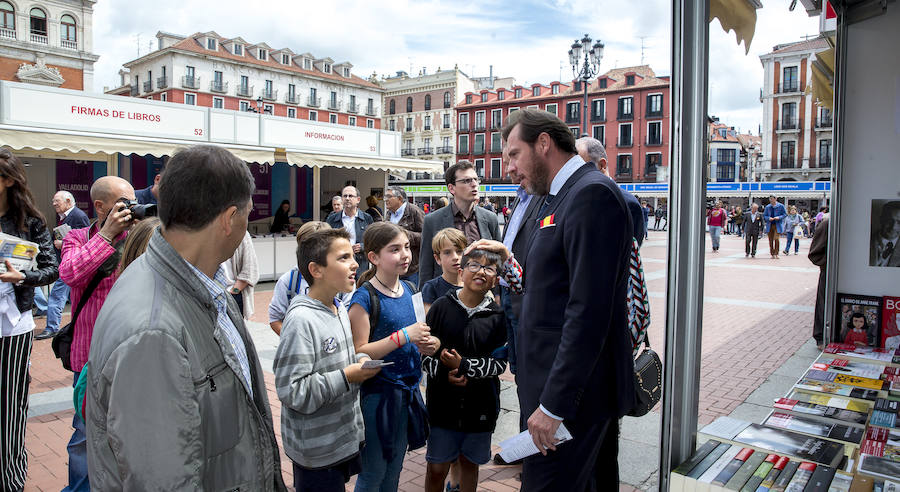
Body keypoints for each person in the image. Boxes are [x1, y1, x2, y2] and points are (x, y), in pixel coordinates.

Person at [85, 145, 287, 490]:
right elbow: (162, 478)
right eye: (246, 216)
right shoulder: (152, 333)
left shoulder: (202, 286)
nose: (246, 229)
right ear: (228, 219)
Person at [502, 108, 634, 490]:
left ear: (543, 144)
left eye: (514, 154)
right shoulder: (557, 197)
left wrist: (554, 405)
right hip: (554, 394)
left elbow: (588, 312)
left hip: (570, 403)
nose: (509, 167)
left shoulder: (591, 193)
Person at [274, 228, 380, 492]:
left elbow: (338, 361)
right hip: (316, 451)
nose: (355, 263)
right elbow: (293, 391)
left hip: (339, 441)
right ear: (316, 270)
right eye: (343, 258)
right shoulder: (301, 320)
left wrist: (360, 360)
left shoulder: (338, 307)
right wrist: (347, 377)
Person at [59, 175, 138, 492]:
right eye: (124, 202)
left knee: (130, 430)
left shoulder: (137, 238)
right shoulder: (77, 237)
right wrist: (107, 235)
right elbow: (70, 273)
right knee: (85, 434)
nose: (130, 209)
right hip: (89, 356)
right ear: (101, 206)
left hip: (132, 354)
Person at [348, 222, 435, 491]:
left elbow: (419, 333)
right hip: (378, 397)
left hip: (408, 392)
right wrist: (403, 337)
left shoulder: (409, 290)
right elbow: (359, 350)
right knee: (373, 471)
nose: (405, 254)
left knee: (395, 467)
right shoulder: (364, 298)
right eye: (394, 249)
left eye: (407, 247)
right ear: (373, 258)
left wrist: (427, 345)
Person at [422, 249, 508, 492]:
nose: (481, 271)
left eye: (489, 268)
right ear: (461, 272)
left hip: (480, 406)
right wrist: (443, 371)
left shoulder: (497, 317)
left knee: (470, 463)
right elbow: (423, 356)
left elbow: (499, 363)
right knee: (437, 467)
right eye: (474, 266)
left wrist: (465, 367)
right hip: (442, 404)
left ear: (495, 279)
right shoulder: (440, 307)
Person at [0, 149, 59, 492]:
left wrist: (20, 276)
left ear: (7, 181)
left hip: (12, 326)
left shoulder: (31, 221)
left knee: (9, 406)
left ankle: (10, 481)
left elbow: (51, 268)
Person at [418, 161, 500, 289]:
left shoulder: (490, 219)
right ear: (452, 188)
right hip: (445, 296)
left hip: (482, 295)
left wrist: (496, 294)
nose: (474, 184)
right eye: (467, 181)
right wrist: (425, 300)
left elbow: (497, 261)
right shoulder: (432, 221)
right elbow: (426, 267)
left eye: (475, 179)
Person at [268, 221, 353, 336]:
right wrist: (297, 340)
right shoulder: (289, 281)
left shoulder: (343, 280)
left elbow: (349, 317)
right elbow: (275, 318)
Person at [35, 191, 90, 340]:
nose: (53, 204)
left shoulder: (78, 216)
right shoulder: (65, 217)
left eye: (56, 201)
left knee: (56, 296)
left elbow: (87, 239)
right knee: (72, 298)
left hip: (72, 265)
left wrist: (63, 243)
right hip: (68, 264)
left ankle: (52, 327)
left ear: (68, 201)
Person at [576, 137, 645, 246]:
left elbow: (629, 256)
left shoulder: (627, 203)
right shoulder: (576, 199)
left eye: (582, 169)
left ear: (602, 165)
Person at [327, 186, 375, 273]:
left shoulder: (367, 218)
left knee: (360, 286)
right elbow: (326, 241)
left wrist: (363, 246)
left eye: (350, 196)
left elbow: (374, 240)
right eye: (345, 196)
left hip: (360, 263)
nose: (347, 198)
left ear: (358, 199)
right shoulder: (332, 219)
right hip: (339, 262)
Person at [384, 186, 425, 286]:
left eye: (389, 196)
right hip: (393, 266)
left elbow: (425, 236)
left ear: (400, 199)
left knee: (412, 296)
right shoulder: (389, 214)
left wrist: (404, 235)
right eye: (385, 197)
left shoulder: (414, 211)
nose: (386, 200)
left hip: (411, 268)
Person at [421, 227, 466, 310]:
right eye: (447, 252)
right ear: (438, 258)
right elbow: (429, 320)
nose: (455, 257)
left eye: (459, 251)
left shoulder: (471, 284)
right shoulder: (431, 288)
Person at [221, 230, 259, 319]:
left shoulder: (241, 233)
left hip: (232, 294)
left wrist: (234, 292)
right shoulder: (204, 231)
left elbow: (250, 269)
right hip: (209, 295)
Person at [809, 215, 829, 348]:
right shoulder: (828, 223)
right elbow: (814, 253)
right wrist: (827, 265)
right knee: (823, 302)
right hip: (829, 272)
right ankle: (821, 336)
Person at [869, 201, 900, 267]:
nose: (893, 227)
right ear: (881, 219)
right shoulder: (866, 241)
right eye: (889, 220)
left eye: (899, 222)